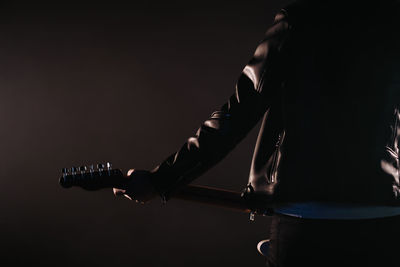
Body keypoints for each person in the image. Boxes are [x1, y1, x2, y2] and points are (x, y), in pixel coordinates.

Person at [113, 0, 400, 266]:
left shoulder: (300, 19)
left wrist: (163, 178)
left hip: (306, 225)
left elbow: (240, 111)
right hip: (385, 225)